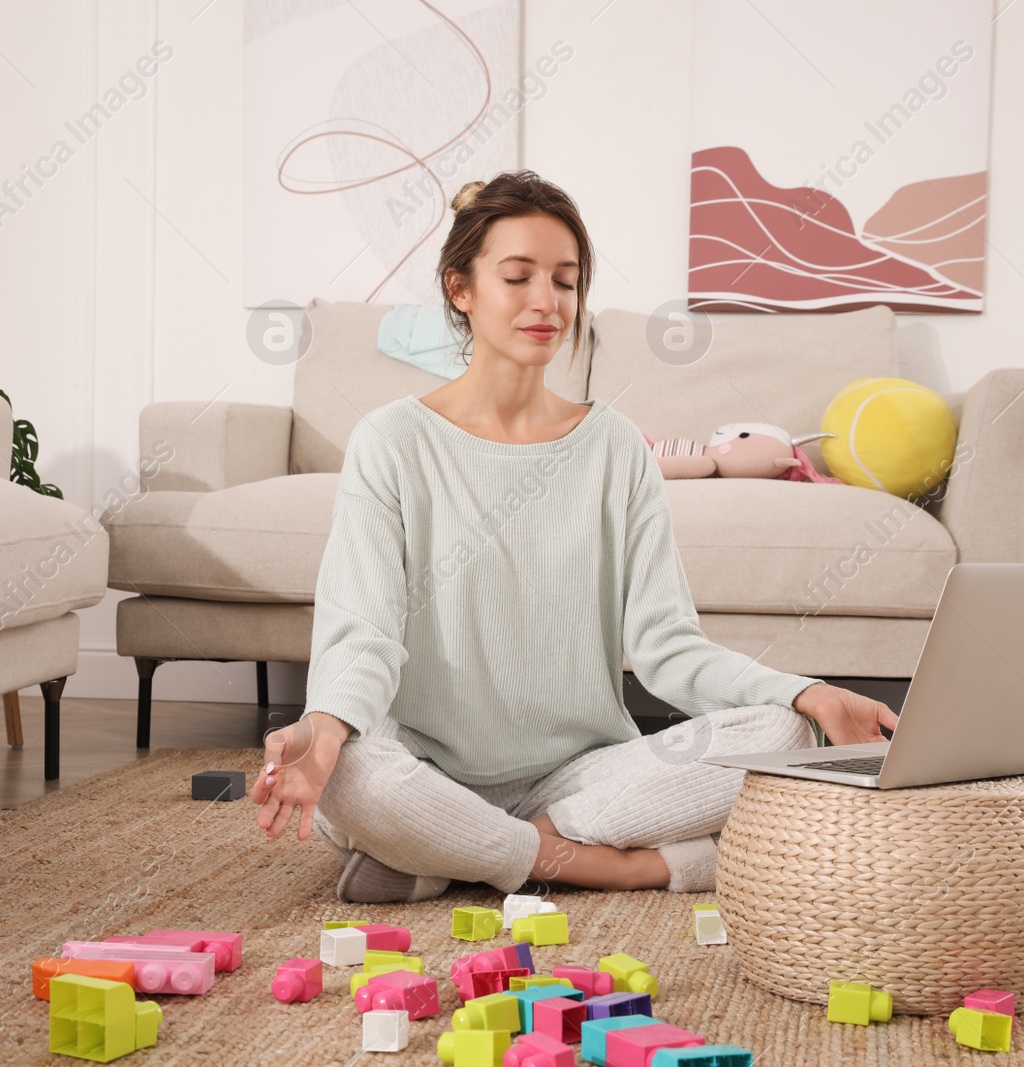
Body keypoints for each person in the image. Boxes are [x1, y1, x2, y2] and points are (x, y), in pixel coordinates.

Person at [252, 171, 898, 904]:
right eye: (518, 276)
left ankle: (449, 853)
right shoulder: (392, 441)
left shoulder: (616, 447)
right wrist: (325, 728)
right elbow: (363, 634)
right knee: (357, 774)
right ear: (460, 288)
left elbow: (667, 646)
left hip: (583, 775)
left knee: (783, 734)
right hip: (426, 767)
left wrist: (805, 691)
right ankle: (608, 864)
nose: (546, 302)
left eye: (565, 281)